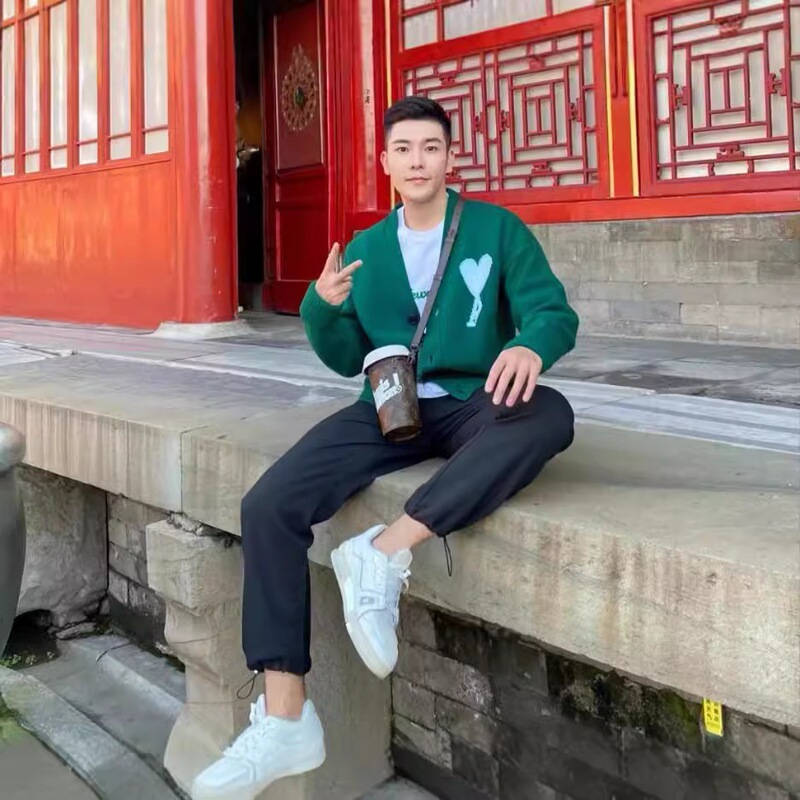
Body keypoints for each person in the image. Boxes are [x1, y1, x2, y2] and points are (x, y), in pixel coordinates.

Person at [191, 96, 579, 800]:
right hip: (389, 407)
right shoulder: (366, 248)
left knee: (548, 414)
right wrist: (321, 305)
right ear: (386, 162)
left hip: (472, 400)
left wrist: (529, 344)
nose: (417, 161)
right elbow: (347, 357)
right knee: (269, 504)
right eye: (404, 149)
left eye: (431, 148)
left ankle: (383, 549)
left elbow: (551, 311)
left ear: (450, 157)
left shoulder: (495, 229)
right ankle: (285, 717)